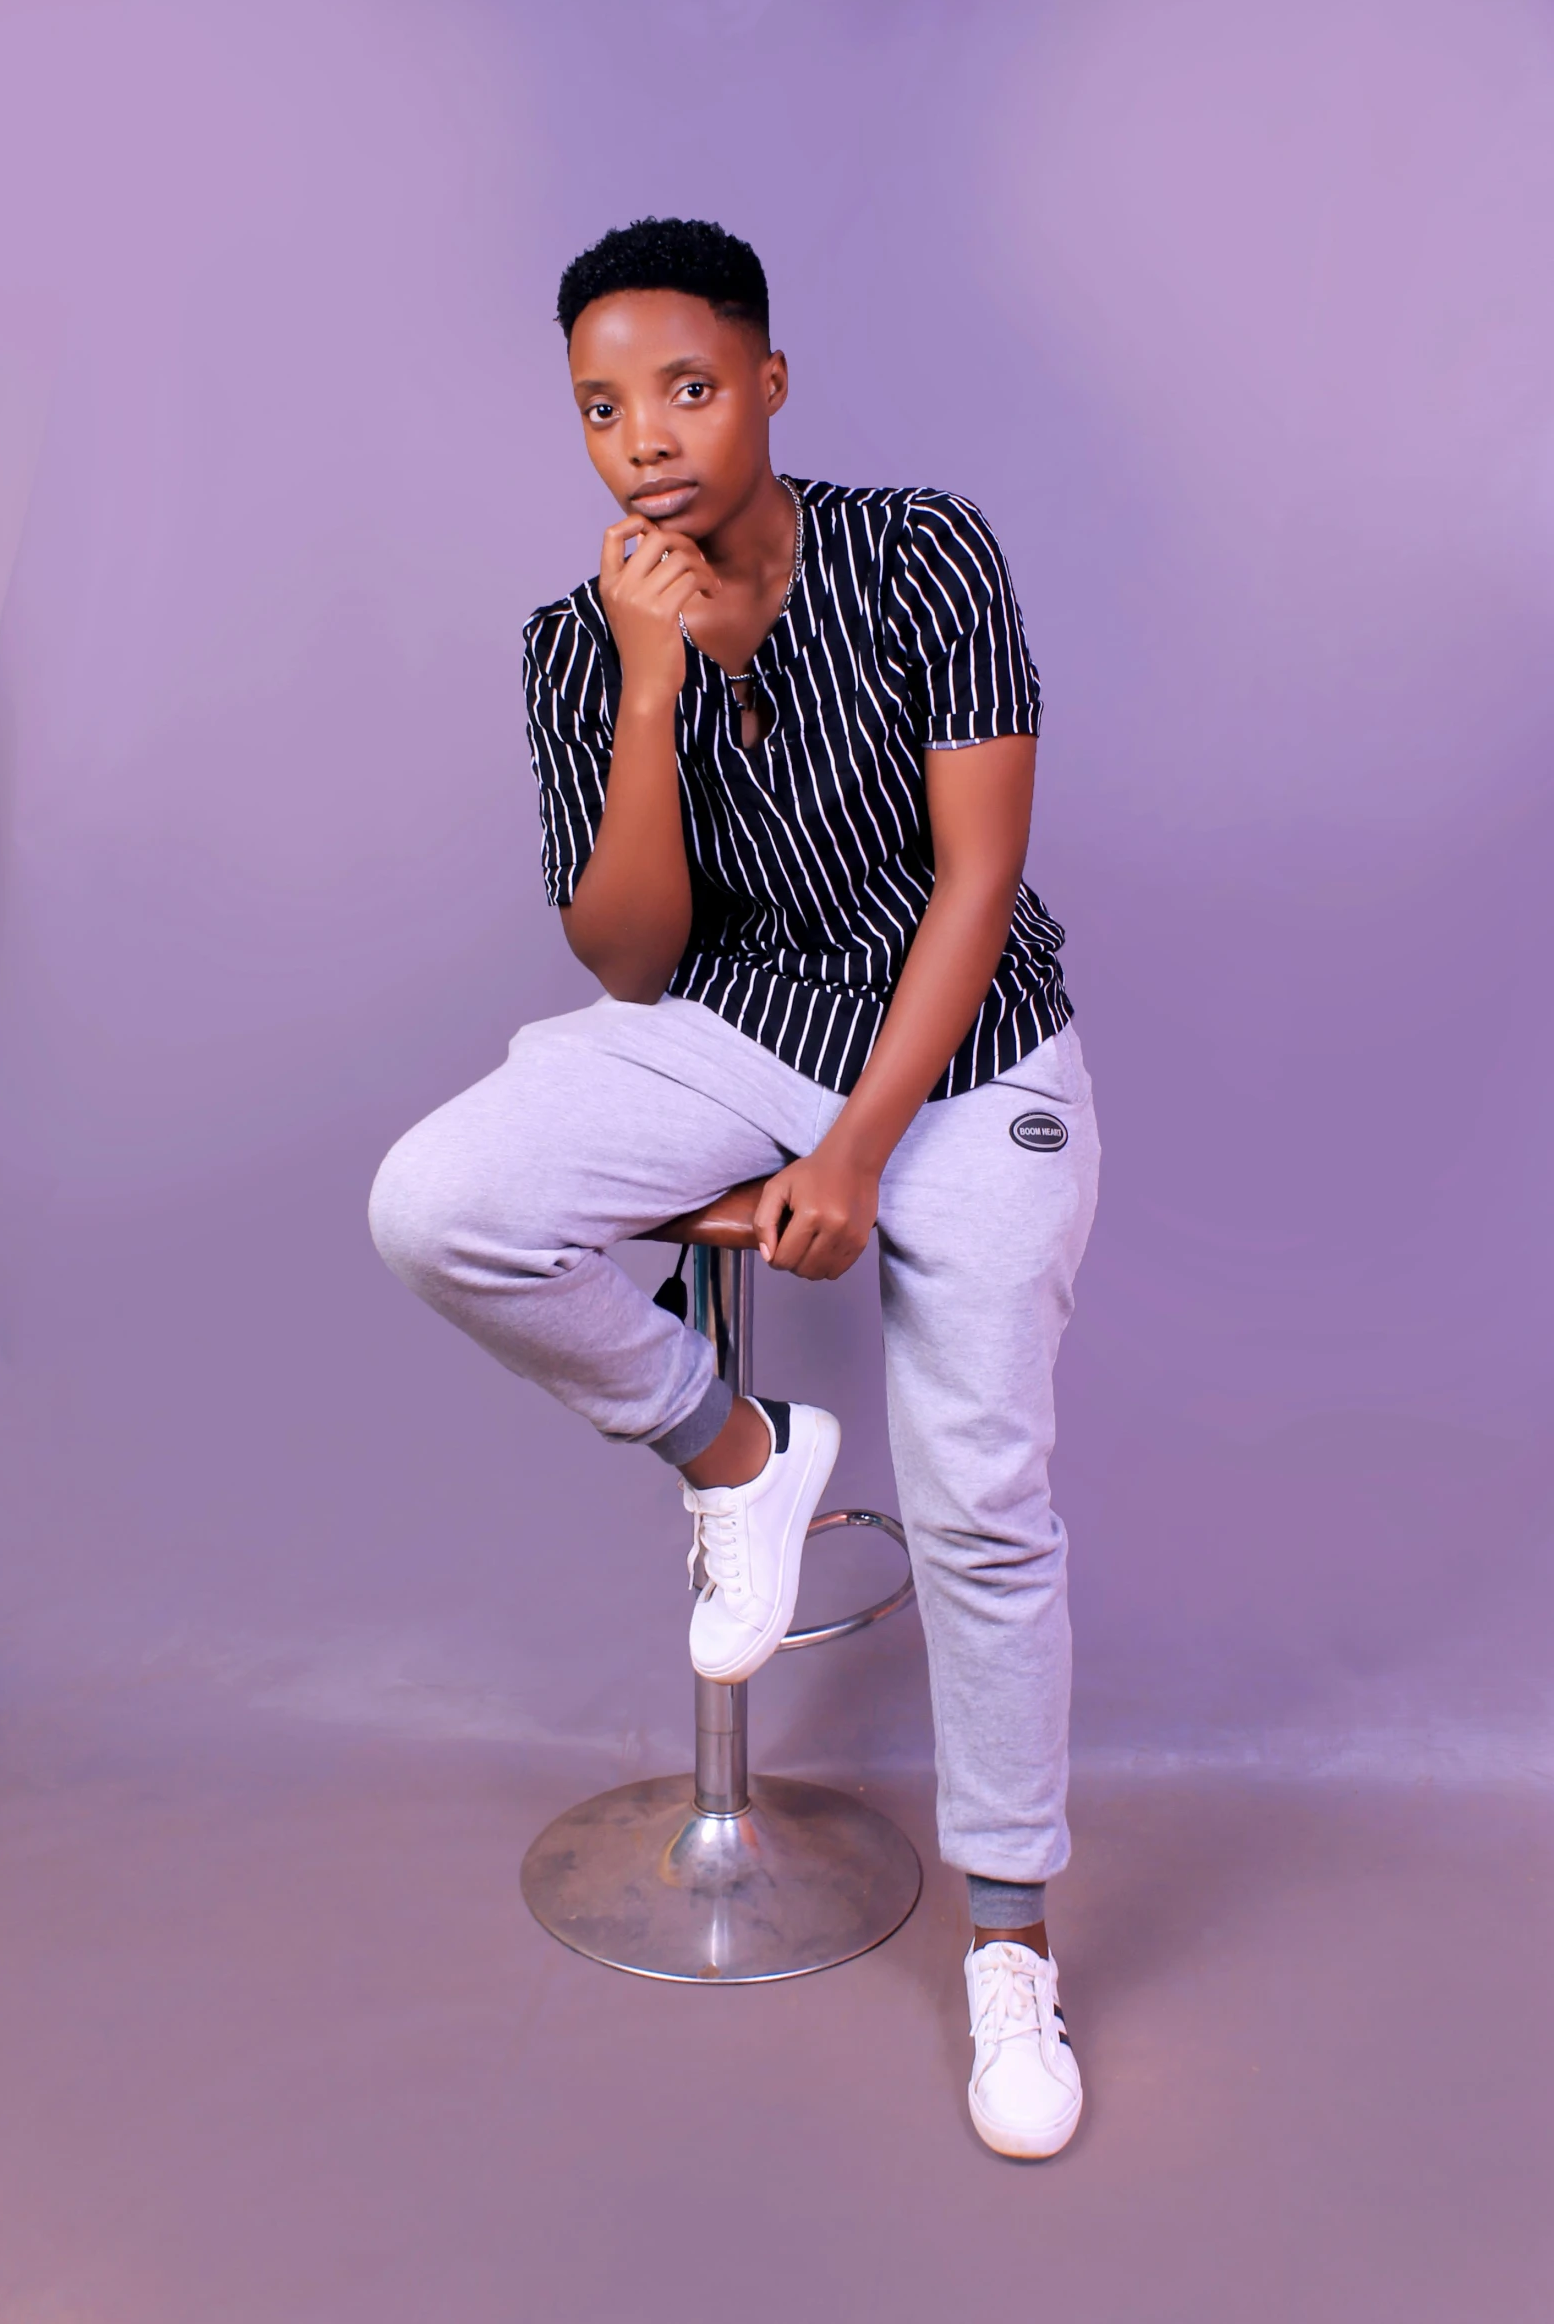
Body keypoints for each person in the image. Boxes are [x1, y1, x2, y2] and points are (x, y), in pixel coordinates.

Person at [368, 217, 1099, 2159]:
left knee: (984, 1492)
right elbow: (624, 953)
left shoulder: (922, 550)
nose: (647, 441)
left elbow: (978, 877)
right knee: (441, 1200)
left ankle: (1011, 1947)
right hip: (733, 1022)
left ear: (770, 382)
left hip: (971, 1052)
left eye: (687, 388)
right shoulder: (574, 631)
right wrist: (639, 687)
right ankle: (738, 1450)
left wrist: (860, 1143)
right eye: (603, 409)